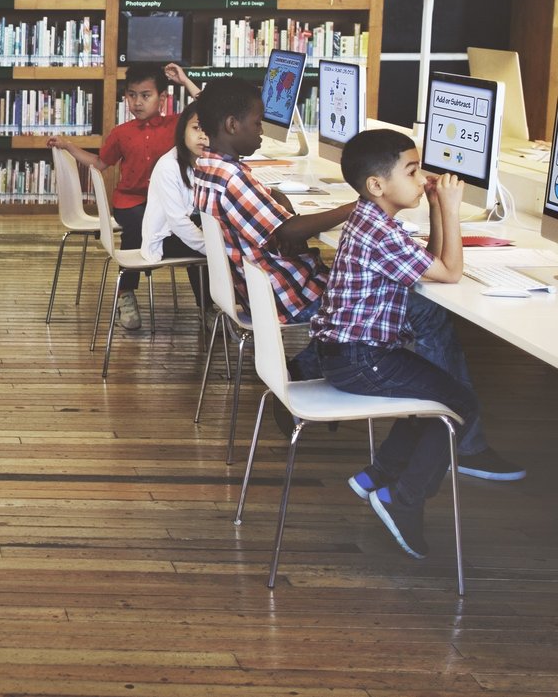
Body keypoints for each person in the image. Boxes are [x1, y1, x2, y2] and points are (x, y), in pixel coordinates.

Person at [194, 78, 521, 481]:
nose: (263, 129)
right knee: (428, 312)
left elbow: (275, 222)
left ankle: (316, 362)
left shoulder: (208, 167)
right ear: (231, 125)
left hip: (267, 286)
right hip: (295, 291)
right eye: (258, 123)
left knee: (389, 294)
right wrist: (362, 203)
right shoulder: (234, 179)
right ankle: (464, 440)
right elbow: (288, 234)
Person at [311, 129, 479, 558]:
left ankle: (377, 475)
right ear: (376, 185)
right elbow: (451, 273)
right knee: (460, 403)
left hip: (350, 355)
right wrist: (455, 209)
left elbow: (433, 264)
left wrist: (439, 206)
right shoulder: (380, 234)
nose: (423, 179)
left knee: (436, 392)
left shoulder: (372, 221)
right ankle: (401, 499)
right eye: (413, 171)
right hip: (361, 359)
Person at [50, 62, 199, 331]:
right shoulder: (122, 133)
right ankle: (126, 294)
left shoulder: (177, 125)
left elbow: (208, 108)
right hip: (130, 201)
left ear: (162, 98)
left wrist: (184, 80)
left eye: (145, 95)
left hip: (170, 202)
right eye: (132, 95)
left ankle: (208, 306)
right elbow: (100, 163)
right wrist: (68, 146)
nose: (137, 102)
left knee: (195, 232)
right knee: (139, 229)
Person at [138, 98, 208, 305]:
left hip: (189, 230)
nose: (203, 136)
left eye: (209, 130)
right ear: (182, 130)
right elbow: (178, 223)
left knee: (228, 239)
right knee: (224, 250)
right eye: (196, 128)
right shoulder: (169, 166)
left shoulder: (206, 161)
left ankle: (215, 307)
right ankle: (211, 309)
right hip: (166, 237)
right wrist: (212, 248)